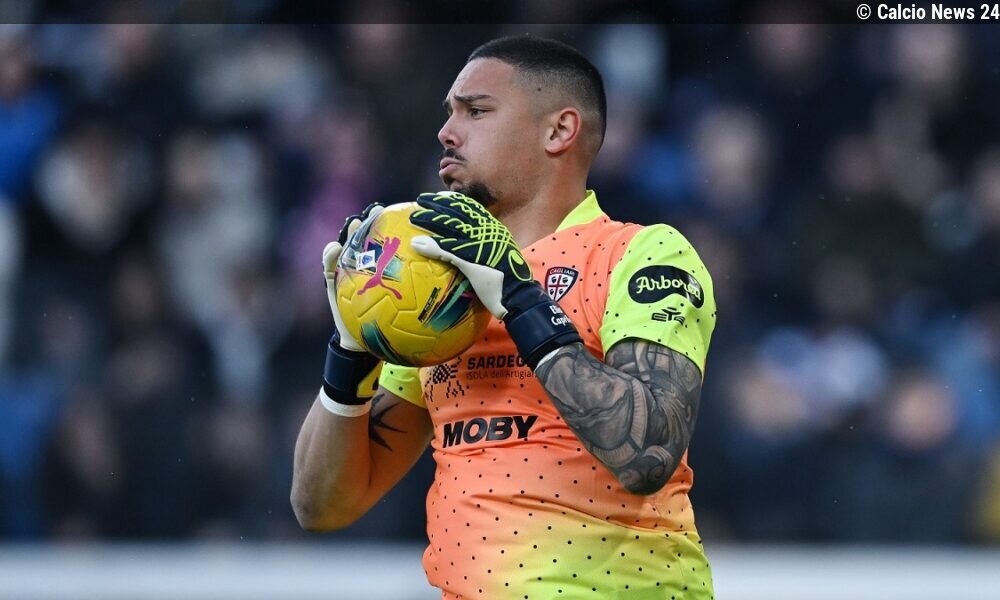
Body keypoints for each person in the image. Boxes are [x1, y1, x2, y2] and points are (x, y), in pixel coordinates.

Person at [292, 34, 718, 599]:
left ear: (559, 131)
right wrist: (351, 352)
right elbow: (321, 506)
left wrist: (521, 299)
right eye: (450, 112)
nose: (447, 132)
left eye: (476, 111)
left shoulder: (640, 255)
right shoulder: (434, 292)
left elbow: (648, 457)